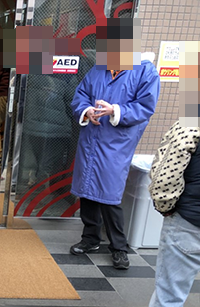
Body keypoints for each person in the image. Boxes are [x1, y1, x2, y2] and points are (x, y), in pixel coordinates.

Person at [69, 44, 160, 269]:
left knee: (110, 195)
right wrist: (86, 111)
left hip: (117, 142)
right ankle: (90, 238)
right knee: (87, 191)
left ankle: (119, 247)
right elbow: (81, 94)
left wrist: (115, 110)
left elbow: (145, 107)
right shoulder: (99, 68)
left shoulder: (145, 71)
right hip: (91, 138)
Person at [132, 121, 200, 307]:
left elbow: (165, 174)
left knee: (171, 292)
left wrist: (165, 206)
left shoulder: (192, 122)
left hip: (191, 222)